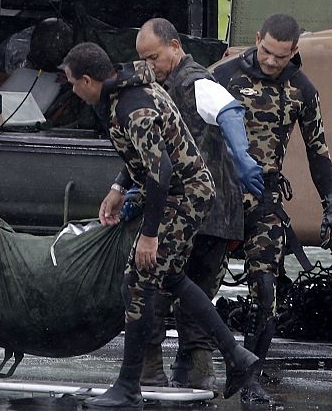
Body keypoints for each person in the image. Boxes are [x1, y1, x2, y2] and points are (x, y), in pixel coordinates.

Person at [61, 42, 260, 409]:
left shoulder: (132, 105)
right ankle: (238, 357)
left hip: (183, 195)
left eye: (73, 83)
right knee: (169, 277)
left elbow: (160, 170)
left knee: (138, 279)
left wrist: (149, 235)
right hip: (186, 190)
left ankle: (128, 386)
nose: (72, 90)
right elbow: (147, 151)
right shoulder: (125, 91)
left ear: (89, 80)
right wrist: (120, 187)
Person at [212, 13, 332, 404]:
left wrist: (331, 204)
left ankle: (251, 374)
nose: (271, 62)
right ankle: (190, 361)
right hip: (219, 195)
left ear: (294, 51)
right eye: (266, 52)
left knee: (265, 288)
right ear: (257, 40)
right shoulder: (224, 76)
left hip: (264, 200)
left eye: (280, 57)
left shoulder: (302, 88)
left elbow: (318, 150)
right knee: (199, 282)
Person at [133, 18, 264, 390]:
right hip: (210, 216)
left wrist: (242, 156)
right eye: (143, 59)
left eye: (153, 57)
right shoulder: (165, 86)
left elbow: (229, 111)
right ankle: (192, 377)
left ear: (175, 47)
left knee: (156, 291)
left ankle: (156, 374)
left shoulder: (196, 82)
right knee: (191, 300)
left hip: (199, 216)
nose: (148, 66)